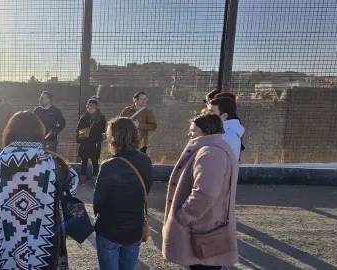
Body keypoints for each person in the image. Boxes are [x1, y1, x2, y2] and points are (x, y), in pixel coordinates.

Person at [0, 111, 79, 269]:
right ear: (40, 133)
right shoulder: (55, 164)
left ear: (9, 133)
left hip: (3, 248)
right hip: (45, 249)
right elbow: (72, 186)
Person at [162, 114, 239, 270]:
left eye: (193, 130)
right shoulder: (218, 148)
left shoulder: (210, 153)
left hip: (202, 229)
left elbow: (205, 192)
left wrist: (184, 215)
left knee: (203, 265)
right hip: (208, 225)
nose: (190, 134)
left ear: (206, 130)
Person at [93, 117, 153, 270]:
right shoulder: (145, 160)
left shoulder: (109, 166)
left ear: (113, 138)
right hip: (134, 228)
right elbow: (146, 189)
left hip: (109, 229)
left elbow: (98, 202)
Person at [76, 96, 106, 182]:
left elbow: (103, 129)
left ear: (96, 107)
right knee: (84, 160)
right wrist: (79, 139)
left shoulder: (101, 117)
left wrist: (98, 138)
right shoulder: (84, 117)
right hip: (85, 141)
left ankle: (95, 177)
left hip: (95, 142)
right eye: (88, 107)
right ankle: (82, 177)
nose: (90, 109)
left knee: (95, 160)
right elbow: (78, 128)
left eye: (92, 107)